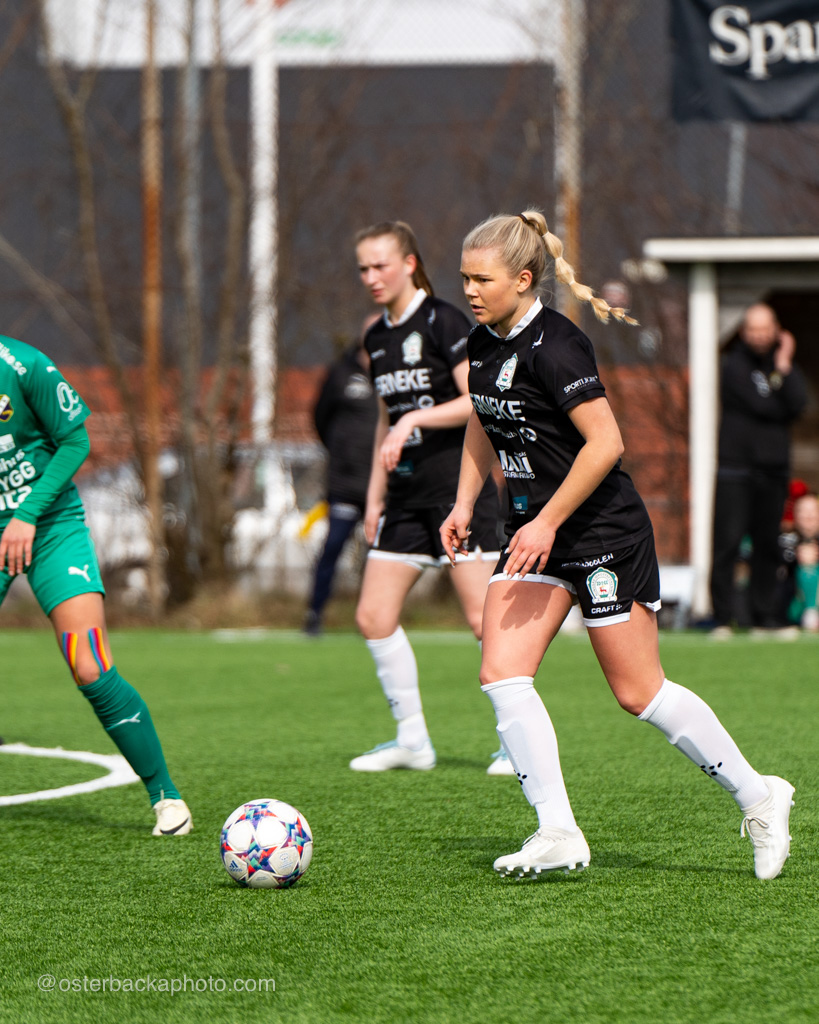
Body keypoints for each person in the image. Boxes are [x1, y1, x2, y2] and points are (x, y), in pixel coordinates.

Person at [440, 210, 794, 881]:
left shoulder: (557, 345)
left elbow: (606, 444)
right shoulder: (481, 342)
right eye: (464, 278)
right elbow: (484, 423)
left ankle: (759, 797)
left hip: (601, 533)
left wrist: (547, 521)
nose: (470, 290)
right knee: (502, 673)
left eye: (482, 279)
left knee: (638, 693)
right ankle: (557, 831)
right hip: (534, 536)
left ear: (523, 279)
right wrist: (464, 502)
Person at [0, 335, 192, 836]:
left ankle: (166, 796)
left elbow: (76, 442)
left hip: (50, 526)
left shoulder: (24, 365)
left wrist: (25, 514)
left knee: (89, 663)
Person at [351, 220, 510, 775]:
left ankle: (514, 743)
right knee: (373, 616)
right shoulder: (376, 337)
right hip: (404, 498)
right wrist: (374, 497)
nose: (371, 277)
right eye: (363, 268)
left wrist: (414, 419)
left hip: (456, 492)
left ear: (409, 264)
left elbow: (476, 400)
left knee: (483, 621)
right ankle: (413, 741)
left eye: (380, 265)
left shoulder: (445, 321)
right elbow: (385, 420)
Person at [710, 304, 808, 635]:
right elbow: (763, 404)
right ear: (743, 331)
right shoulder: (733, 365)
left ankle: (764, 617)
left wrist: (784, 364)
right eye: (753, 329)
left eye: (765, 329)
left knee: (768, 544)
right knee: (728, 543)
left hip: (774, 469)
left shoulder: (781, 364)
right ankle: (722, 618)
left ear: (776, 330)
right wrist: (779, 396)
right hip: (736, 470)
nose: (759, 336)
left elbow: (798, 403)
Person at [303, 316, 380, 637]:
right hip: (345, 483)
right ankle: (314, 614)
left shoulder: (397, 372)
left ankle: (377, 618)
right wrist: (341, 451)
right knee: (333, 547)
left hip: (384, 485)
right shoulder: (341, 372)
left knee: (382, 555)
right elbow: (320, 417)